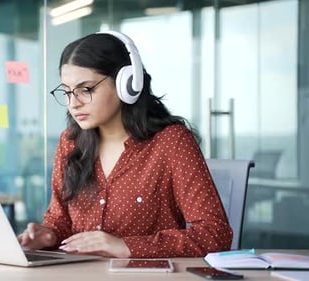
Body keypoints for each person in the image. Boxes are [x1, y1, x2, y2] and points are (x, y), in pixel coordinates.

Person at [17, 31, 232, 258]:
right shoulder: (70, 142)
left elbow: (215, 234)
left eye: (86, 90)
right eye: (67, 92)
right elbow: (59, 221)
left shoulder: (171, 142)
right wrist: (48, 235)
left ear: (126, 84)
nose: (73, 103)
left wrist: (126, 246)